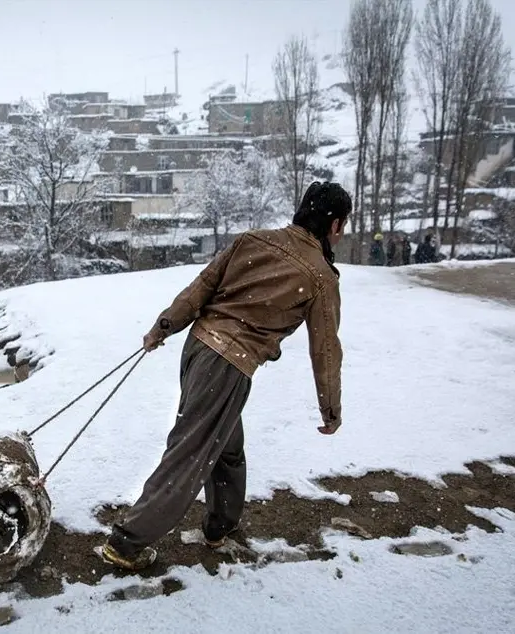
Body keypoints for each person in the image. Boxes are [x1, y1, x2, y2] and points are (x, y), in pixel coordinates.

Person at [100, 181, 351, 571]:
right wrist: (331, 408)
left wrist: (165, 327)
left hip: (199, 348)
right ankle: (126, 543)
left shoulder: (253, 240)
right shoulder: (320, 276)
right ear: (335, 225)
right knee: (190, 453)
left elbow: (201, 287)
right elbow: (325, 348)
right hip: (229, 364)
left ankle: (221, 526)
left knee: (226, 445)